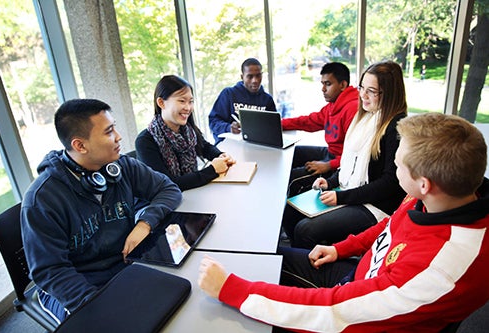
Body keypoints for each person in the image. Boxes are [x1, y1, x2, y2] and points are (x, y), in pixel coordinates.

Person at [198, 112, 489, 332]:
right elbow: (390, 227)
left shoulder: (440, 268)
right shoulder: (439, 198)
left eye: (398, 165)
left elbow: (334, 310)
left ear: (424, 183)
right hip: (359, 280)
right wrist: (341, 249)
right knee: (266, 259)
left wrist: (231, 289)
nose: (394, 168)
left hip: (361, 315)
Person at [21, 98, 182, 324]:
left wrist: (144, 223)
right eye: (108, 132)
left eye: (114, 127)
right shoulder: (42, 200)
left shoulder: (120, 166)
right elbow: (51, 271)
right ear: (80, 145)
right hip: (73, 284)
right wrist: (101, 307)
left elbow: (168, 189)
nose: (118, 136)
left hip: (123, 265)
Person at [282, 61, 407, 248]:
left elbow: (389, 184)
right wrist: (331, 182)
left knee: (305, 230)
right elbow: (351, 163)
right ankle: (302, 260)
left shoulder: (395, 127)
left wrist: (341, 197)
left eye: (371, 91)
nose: (363, 95)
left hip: (375, 206)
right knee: (289, 212)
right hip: (350, 191)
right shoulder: (365, 116)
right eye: (362, 87)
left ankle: (315, 271)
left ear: (388, 93)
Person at [136, 75, 235, 191]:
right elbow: (167, 184)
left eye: (191, 102)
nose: (188, 108)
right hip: (168, 202)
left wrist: (220, 155)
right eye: (182, 101)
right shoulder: (145, 141)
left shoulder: (187, 129)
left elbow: (204, 147)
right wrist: (212, 170)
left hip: (193, 193)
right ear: (161, 103)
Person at [282, 62, 359, 196]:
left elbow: (356, 155)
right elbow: (308, 122)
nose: (323, 89)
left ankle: (290, 215)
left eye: (328, 84)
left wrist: (328, 165)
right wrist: (279, 124)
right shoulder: (332, 105)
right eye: (322, 84)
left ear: (343, 85)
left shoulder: (352, 109)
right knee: (293, 153)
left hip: (340, 164)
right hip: (330, 153)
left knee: (292, 179)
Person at [208, 58, 277, 144]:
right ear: (242, 77)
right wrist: (229, 127)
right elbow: (213, 121)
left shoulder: (267, 100)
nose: (255, 80)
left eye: (258, 76)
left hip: (257, 145)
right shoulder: (228, 94)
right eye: (250, 76)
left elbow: (274, 128)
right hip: (230, 145)